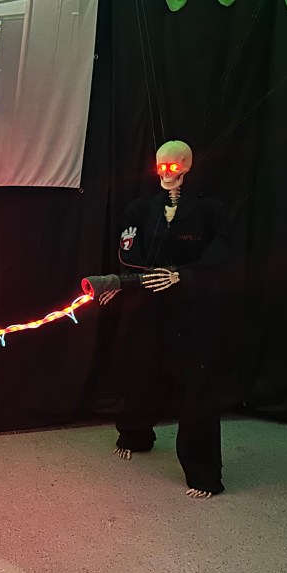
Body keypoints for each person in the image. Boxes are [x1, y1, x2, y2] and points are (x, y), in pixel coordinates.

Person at [100, 140, 229, 498]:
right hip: (149, 304)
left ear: (186, 166)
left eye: (173, 166)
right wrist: (123, 284)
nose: (166, 173)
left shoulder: (209, 211)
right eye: (160, 166)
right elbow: (129, 253)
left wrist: (182, 276)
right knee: (142, 369)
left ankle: (204, 473)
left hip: (191, 309)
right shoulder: (141, 209)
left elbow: (221, 255)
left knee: (197, 385)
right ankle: (135, 434)